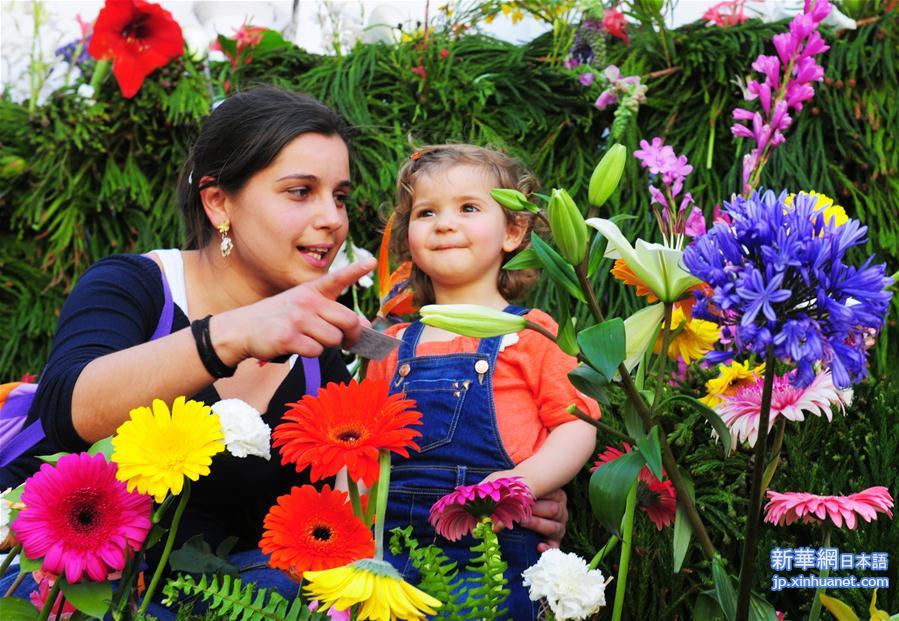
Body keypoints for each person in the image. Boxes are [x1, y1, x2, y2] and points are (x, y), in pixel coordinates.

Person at [0, 89, 568, 615]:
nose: (332, 218)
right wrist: (232, 334)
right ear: (220, 203)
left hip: (210, 595)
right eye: (301, 192)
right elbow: (68, 410)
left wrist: (506, 496)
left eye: (340, 197)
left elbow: (328, 516)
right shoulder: (137, 286)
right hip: (48, 586)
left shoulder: (323, 358)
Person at [366, 144, 600, 621]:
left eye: (468, 208)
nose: (444, 223)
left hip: (493, 551)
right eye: (425, 212)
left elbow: (576, 424)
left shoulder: (531, 331)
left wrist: (525, 482)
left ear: (513, 231)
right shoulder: (389, 344)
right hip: (391, 550)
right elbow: (358, 446)